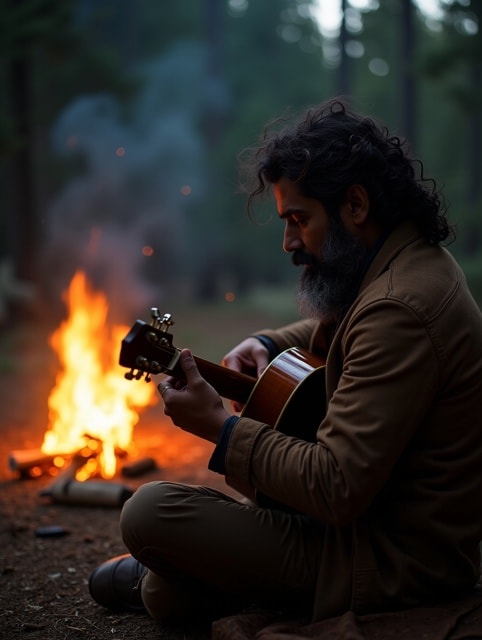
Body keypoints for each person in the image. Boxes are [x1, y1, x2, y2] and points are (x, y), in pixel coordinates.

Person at [89, 99, 482, 624]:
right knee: (168, 594)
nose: (288, 241)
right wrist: (269, 344)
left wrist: (223, 430)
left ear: (356, 204)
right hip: (378, 533)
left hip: (388, 559)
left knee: (149, 512)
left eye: (299, 219)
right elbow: (352, 327)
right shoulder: (407, 264)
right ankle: (175, 582)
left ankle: (185, 575)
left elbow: (335, 485)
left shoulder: (399, 308)